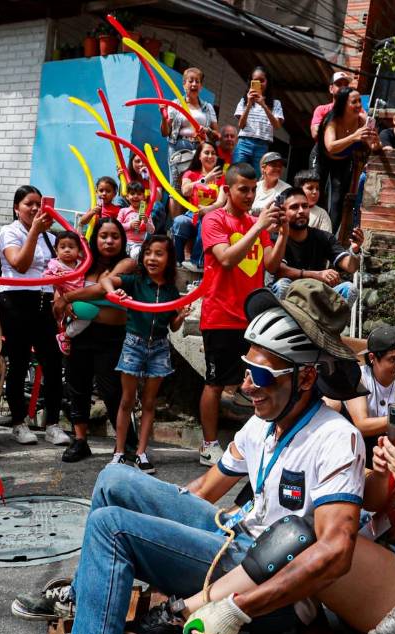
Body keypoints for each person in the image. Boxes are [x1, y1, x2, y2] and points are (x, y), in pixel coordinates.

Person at [0, 281, 364, 634]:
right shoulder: (262, 424)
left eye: (262, 377)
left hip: (273, 588)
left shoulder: (336, 439)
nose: (246, 385)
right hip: (235, 541)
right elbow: (202, 493)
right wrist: (157, 523)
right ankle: (87, 594)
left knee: (113, 529)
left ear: (306, 379)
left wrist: (237, 608)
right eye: (246, 370)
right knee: (115, 480)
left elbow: (336, 551)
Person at [124, 342, 395, 634]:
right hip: (379, 564)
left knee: (321, 537)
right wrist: (383, 474)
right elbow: (373, 501)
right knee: (313, 529)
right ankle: (201, 609)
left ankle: (189, 613)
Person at [196, 163, 284, 466]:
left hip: (250, 319)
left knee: (255, 380)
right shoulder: (214, 220)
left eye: (252, 189)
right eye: (242, 189)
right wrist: (259, 227)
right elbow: (227, 259)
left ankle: (255, 442)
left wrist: (281, 233)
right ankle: (208, 444)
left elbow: (271, 265)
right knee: (215, 381)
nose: (248, 195)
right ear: (227, 190)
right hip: (220, 314)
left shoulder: (254, 222)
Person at [99, 234, 187, 472]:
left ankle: (141, 453)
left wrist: (179, 317)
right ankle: (119, 452)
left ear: (169, 259)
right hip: (133, 344)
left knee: (149, 403)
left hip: (159, 347)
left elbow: (173, 326)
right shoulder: (134, 282)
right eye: (148, 253)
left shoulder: (171, 291)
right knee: (127, 400)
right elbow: (106, 281)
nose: (152, 258)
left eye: (159, 253)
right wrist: (114, 293)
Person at [58, 217, 137, 462]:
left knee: (112, 391)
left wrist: (70, 299)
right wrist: (64, 303)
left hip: (111, 337)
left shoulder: (127, 263)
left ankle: (127, 443)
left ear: (122, 240)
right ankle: (80, 440)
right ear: (95, 239)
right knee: (76, 387)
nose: (109, 241)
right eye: (104, 236)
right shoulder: (83, 264)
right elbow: (60, 291)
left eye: (115, 236)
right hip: (80, 335)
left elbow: (105, 289)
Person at [0, 184, 70, 447]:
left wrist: (61, 296)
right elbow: (20, 263)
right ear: (17, 208)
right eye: (29, 203)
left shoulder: (49, 237)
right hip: (16, 301)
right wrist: (35, 232)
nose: (36, 208)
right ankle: (18, 422)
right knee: (18, 362)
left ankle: (52, 423)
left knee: (51, 363)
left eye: (39, 203)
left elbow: (58, 270)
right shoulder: (9, 232)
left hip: (44, 301)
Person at [268, 187, 363, 300]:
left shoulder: (324, 237)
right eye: (294, 207)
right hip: (289, 295)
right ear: (282, 212)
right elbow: (280, 271)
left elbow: (351, 267)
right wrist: (317, 275)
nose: (301, 211)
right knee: (282, 285)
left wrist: (355, 250)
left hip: (315, 295)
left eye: (305, 206)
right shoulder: (276, 238)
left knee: (349, 289)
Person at [325, 323, 395, 462]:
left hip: (388, 443)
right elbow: (361, 425)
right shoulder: (360, 379)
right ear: (372, 358)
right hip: (358, 443)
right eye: (392, 359)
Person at [317, 87, 379, 229]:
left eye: (359, 101)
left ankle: (329, 235)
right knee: (317, 193)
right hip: (323, 157)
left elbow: (373, 146)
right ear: (344, 104)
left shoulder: (362, 120)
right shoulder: (333, 120)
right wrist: (354, 137)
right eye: (354, 102)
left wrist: (376, 141)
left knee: (338, 199)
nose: (359, 105)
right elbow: (331, 147)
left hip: (344, 160)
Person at [161, 66, 220, 188]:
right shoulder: (175, 104)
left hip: (200, 149)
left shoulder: (208, 107)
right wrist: (163, 116)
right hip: (179, 148)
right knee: (176, 187)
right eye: (191, 80)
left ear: (201, 86)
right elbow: (165, 133)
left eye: (197, 81)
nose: (194, 84)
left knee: (197, 185)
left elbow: (217, 135)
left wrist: (206, 130)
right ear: (184, 84)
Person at [171, 141, 226, 267]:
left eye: (213, 153)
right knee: (179, 221)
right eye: (206, 153)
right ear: (199, 156)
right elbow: (185, 191)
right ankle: (176, 261)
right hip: (192, 214)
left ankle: (198, 263)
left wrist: (208, 209)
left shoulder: (222, 178)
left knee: (207, 220)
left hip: (212, 214)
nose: (210, 156)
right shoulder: (190, 173)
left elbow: (221, 201)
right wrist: (205, 179)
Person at [233, 67, 284, 174]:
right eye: (256, 80)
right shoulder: (244, 101)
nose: (259, 84)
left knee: (257, 178)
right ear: (251, 82)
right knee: (236, 174)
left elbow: (277, 126)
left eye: (262, 80)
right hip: (244, 142)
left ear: (267, 82)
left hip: (262, 145)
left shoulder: (276, 103)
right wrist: (249, 104)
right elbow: (241, 125)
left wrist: (263, 105)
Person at [115, 180, 154, 260]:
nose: (136, 196)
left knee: (136, 254)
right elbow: (117, 227)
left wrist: (146, 222)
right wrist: (130, 225)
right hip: (123, 242)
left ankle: (135, 268)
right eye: (132, 194)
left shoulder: (146, 213)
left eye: (139, 194)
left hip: (138, 244)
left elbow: (151, 231)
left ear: (143, 197)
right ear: (127, 196)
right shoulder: (123, 211)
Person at [310, 71, 352, 138]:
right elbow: (315, 133)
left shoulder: (356, 110)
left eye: (346, 85)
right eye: (339, 84)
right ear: (331, 89)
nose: (343, 88)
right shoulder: (321, 109)